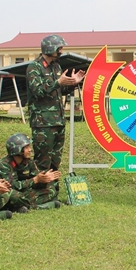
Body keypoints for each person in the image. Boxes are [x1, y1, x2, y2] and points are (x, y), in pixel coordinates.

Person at [26, 34, 84, 198]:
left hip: (58, 121)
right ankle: (40, 195)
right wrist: (58, 82)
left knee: (55, 161)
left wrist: (73, 83)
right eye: (59, 48)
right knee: (43, 161)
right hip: (42, 123)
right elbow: (38, 92)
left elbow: (59, 90)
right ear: (49, 48)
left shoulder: (57, 67)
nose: (61, 51)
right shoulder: (34, 68)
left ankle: (52, 194)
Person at [0, 133, 61, 211]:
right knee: (13, 195)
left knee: (51, 189)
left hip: (24, 193)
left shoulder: (29, 162)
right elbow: (11, 186)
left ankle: (22, 207)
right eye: (27, 147)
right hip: (9, 193)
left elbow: (36, 180)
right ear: (18, 150)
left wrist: (44, 180)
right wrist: (35, 180)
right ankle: (37, 206)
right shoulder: (3, 165)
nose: (30, 150)